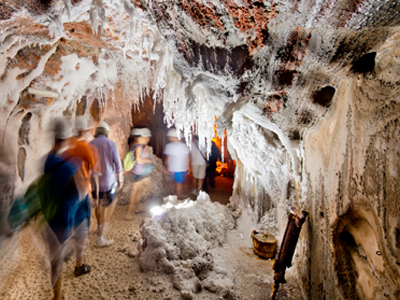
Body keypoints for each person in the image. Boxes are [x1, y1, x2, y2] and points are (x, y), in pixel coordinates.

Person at [39, 118, 80, 300]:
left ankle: (56, 292)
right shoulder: (67, 167)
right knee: (58, 260)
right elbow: (78, 194)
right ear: (64, 140)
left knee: (54, 255)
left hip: (47, 217)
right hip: (62, 219)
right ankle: (57, 296)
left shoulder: (46, 160)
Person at [90, 121, 123, 247]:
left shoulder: (90, 144)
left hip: (95, 182)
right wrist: (120, 180)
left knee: (98, 204)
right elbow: (118, 165)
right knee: (107, 206)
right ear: (107, 132)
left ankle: (98, 227)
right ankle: (101, 237)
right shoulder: (111, 144)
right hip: (108, 181)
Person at [125, 128, 153, 219]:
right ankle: (128, 214)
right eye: (146, 137)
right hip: (139, 173)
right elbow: (138, 160)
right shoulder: (139, 147)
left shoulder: (137, 146)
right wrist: (148, 160)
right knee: (135, 193)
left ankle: (137, 208)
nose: (147, 139)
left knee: (139, 191)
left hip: (140, 172)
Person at [163, 128, 190, 199]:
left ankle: (171, 196)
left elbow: (166, 158)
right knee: (179, 183)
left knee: (171, 183)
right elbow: (187, 158)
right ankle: (177, 197)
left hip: (171, 168)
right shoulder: (184, 146)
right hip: (181, 168)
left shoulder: (168, 146)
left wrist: (165, 167)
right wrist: (188, 167)